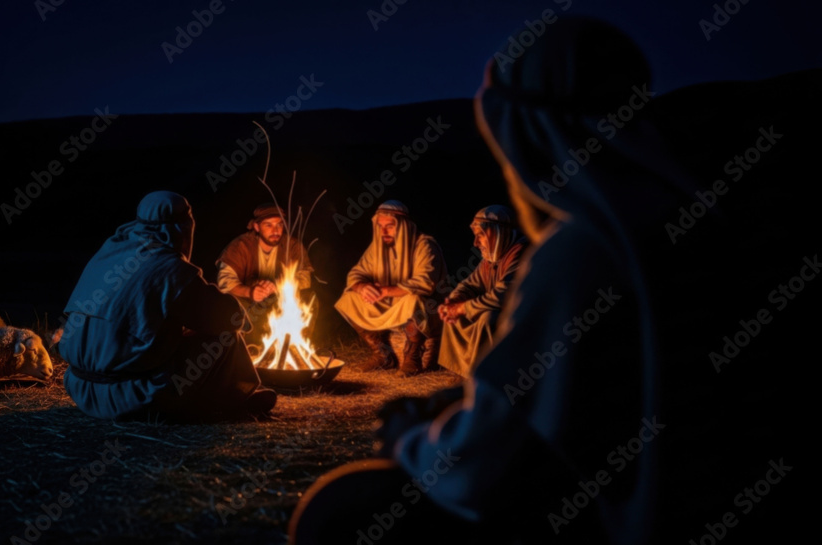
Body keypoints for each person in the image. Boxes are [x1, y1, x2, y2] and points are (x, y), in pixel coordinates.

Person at [290, 18, 748, 545]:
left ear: (529, 138)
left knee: (337, 510)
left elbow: (484, 458)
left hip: (626, 519)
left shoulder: (582, 255)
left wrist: (410, 439)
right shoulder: (703, 222)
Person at [58, 191, 276, 422]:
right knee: (225, 337)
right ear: (183, 228)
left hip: (79, 388)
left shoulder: (109, 251)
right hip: (130, 397)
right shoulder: (170, 269)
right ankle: (238, 398)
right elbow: (232, 317)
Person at [334, 200, 447, 377]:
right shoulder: (377, 247)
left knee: (413, 300)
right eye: (380, 226)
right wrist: (362, 286)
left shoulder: (424, 245)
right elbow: (356, 273)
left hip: (428, 307)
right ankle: (383, 354)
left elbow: (426, 282)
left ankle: (412, 357)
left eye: (389, 226)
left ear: (403, 226)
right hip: (390, 304)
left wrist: (385, 291)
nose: (383, 231)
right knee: (349, 298)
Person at [437, 205, 527, 377]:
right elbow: (470, 284)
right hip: (499, 310)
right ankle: (460, 371)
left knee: (487, 318)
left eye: (480, 236)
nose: (475, 243)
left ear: (496, 233)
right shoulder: (491, 258)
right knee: (454, 315)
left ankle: (483, 375)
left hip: (519, 317)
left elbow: (503, 295)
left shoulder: (520, 254)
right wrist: (455, 300)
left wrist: (464, 307)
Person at [216, 203, 315, 353]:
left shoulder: (292, 246)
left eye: (279, 225)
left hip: (280, 300)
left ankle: (295, 348)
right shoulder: (240, 246)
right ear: (256, 227)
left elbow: (305, 278)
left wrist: (280, 287)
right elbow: (225, 281)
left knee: (310, 298)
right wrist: (250, 292)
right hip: (250, 302)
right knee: (234, 304)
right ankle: (251, 349)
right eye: (268, 225)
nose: (275, 231)